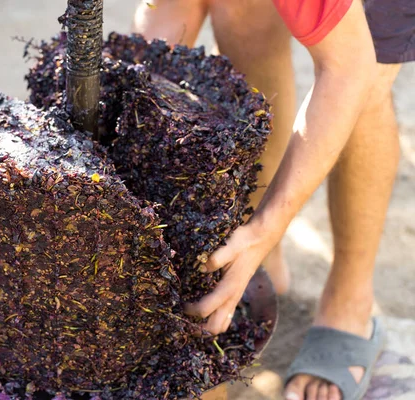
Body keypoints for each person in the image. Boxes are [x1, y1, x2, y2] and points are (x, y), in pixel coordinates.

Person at [132, 1, 414, 399]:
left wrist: (266, 226)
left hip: (356, 53)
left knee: (366, 75)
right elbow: (166, 19)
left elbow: (349, 66)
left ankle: (349, 303)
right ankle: (267, 261)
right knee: (241, 12)